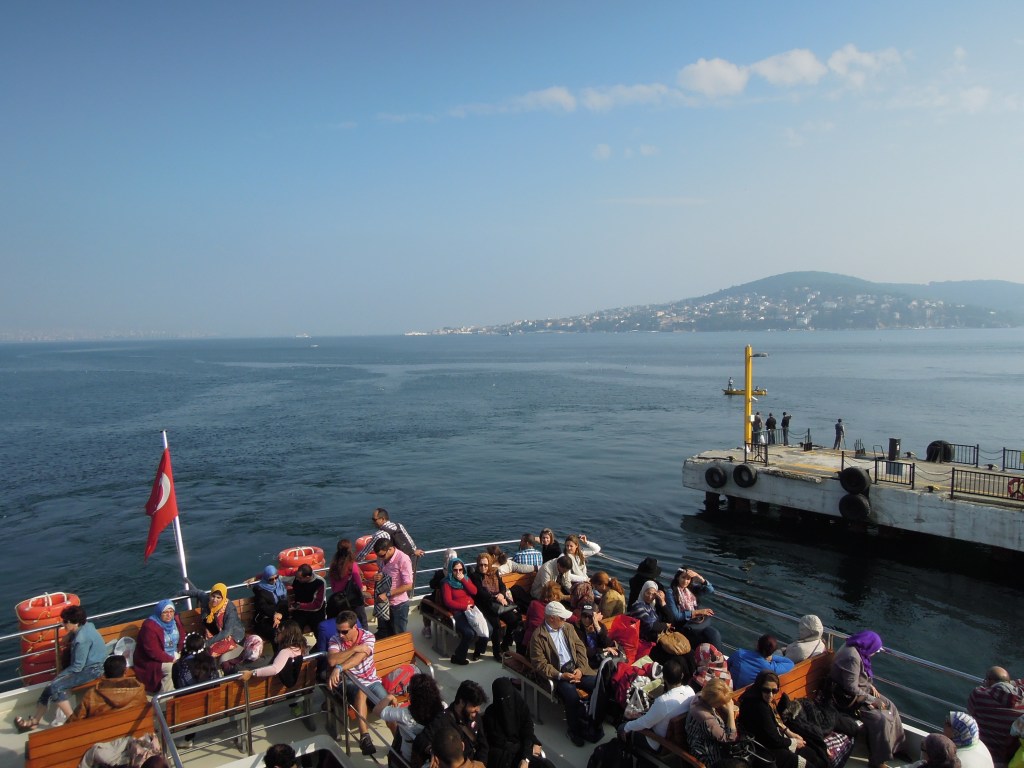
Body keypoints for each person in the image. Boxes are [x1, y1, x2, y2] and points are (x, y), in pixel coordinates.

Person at [15, 604, 107, 731]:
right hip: (87, 666)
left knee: (55, 686)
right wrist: (70, 635)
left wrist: (60, 675)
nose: (63, 624)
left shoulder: (82, 639)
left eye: (65, 622)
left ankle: (73, 720)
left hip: (92, 670)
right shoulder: (86, 626)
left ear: (75, 623)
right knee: (50, 687)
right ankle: (35, 721)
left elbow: (77, 666)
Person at [528, 600, 600, 747]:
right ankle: (573, 730)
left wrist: (580, 668)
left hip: (576, 668)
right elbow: (540, 664)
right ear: (551, 618)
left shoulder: (567, 627)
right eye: (561, 617)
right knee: (571, 696)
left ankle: (592, 720)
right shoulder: (538, 636)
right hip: (559, 674)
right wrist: (560, 676)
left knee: (599, 685)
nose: (565, 620)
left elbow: (580, 648)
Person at [829, 630, 905, 768]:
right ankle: (877, 761)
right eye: (875, 651)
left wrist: (870, 686)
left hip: (861, 691)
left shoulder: (857, 650)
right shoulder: (852, 657)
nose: (875, 653)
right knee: (879, 719)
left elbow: (859, 678)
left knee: (890, 706)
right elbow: (850, 687)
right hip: (846, 699)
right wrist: (872, 700)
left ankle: (895, 747)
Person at [327, 609, 387, 756]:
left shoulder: (368, 636)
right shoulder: (335, 639)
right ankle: (364, 737)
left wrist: (340, 667)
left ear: (355, 628)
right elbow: (332, 660)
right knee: (362, 690)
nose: (341, 635)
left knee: (388, 707)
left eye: (345, 632)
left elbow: (358, 658)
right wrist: (355, 648)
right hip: (349, 682)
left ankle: (398, 741)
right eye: (339, 631)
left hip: (371, 680)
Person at [738, 670, 827, 768]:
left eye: (774, 691)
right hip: (766, 748)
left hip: (774, 741)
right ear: (759, 687)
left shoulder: (759, 698)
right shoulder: (758, 707)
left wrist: (789, 733)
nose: (770, 695)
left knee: (813, 755)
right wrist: (794, 742)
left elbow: (774, 723)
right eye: (766, 690)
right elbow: (773, 740)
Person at [619, 658, 696, 752]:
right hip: (675, 740)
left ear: (664, 678)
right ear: (682, 676)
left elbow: (645, 723)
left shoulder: (663, 701)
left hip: (656, 741)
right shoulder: (690, 691)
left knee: (621, 727)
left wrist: (626, 727)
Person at [372, 673, 445, 768]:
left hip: (408, 758)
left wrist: (389, 697)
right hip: (433, 757)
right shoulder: (443, 708)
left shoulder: (405, 715)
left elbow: (377, 710)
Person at [413, 680, 490, 767]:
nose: (478, 709)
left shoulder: (475, 717)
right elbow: (420, 739)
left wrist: (480, 764)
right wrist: (431, 750)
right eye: (474, 705)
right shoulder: (442, 720)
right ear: (462, 702)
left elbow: (483, 745)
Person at [483, 676, 551, 768]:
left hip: (523, 752)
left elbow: (528, 732)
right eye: (501, 700)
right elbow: (498, 741)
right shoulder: (491, 714)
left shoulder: (520, 707)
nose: (505, 703)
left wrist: (525, 758)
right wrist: (529, 749)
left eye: (508, 697)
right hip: (502, 756)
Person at [967, 666, 1024, 765]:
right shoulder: (1021, 700)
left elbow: (970, 711)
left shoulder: (979, 695)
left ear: (989, 681)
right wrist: (1008, 683)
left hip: (982, 754)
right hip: (1008, 760)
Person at [469, 552, 519, 661]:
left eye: (485, 565)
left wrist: (501, 594)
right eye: (481, 565)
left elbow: (502, 586)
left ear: (489, 564)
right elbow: (480, 592)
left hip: (498, 602)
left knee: (515, 619)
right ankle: (497, 653)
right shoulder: (475, 576)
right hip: (485, 604)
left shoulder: (494, 572)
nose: (483, 567)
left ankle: (505, 644)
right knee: (496, 625)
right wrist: (497, 597)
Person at [68, 654, 147, 721]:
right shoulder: (139, 690)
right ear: (125, 671)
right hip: (136, 733)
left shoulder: (91, 695)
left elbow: (75, 722)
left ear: (105, 673)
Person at [182, 582, 246, 663]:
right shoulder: (206, 600)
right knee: (202, 650)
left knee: (209, 653)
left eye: (218, 597)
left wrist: (208, 642)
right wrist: (180, 594)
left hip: (232, 637)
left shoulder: (230, 609)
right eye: (213, 596)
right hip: (215, 633)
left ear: (223, 598)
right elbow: (198, 593)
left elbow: (227, 632)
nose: (215, 600)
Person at [686, 678, 741, 768]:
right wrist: (730, 712)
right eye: (721, 703)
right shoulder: (706, 718)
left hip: (709, 742)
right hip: (707, 754)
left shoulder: (701, 695)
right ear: (714, 703)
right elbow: (730, 739)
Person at [133, 598, 185, 693]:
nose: (169, 615)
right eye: (165, 612)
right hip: (153, 660)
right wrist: (171, 659)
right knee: (171, 668)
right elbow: (153, 651)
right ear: (159, 613)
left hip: (174, 653)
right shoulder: (150, 626)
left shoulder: (175, 620)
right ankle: (165, 700)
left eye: (171, 611)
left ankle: (183, 689)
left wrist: (180, 650)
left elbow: (182, 635)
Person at [663, 567, 722, 649]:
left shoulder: (691, 590)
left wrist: (699, 578)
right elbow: (676, 616)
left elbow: (710, 589)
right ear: (677, 577)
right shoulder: (671, 592)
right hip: (683, 626)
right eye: (683, 577)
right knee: (707, 640)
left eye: (688, 579)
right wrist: (698, 612)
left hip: (695, 623)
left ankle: (720, 660)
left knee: (714, 633)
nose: (685, 581)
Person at [441, 556, 483, 665]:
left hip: (472, 611)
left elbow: (474, 591)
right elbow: (448, 602)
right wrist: (464, 607)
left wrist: (463, 580)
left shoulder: (466, 579)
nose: (458, 572)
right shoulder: (447, 583)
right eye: (455, 570)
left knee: (488, 628)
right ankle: (459, 656)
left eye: (460, 570)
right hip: (458, 613)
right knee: (469, 633)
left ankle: (478, 652)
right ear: (451, 570)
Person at [240, 619, 306, 684]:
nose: (276, 633)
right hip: (294, 682)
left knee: (239, 667)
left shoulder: (286, 652)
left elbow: (275, 669)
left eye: (279, 632)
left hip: (283, 680)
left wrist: (252, 673)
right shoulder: (299, 646)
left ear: (287, 635)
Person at [373, 536, 414, 638]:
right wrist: (379, 576)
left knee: (398, 635)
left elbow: (408, 585)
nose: (380, 558)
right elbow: (385, 572)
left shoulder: (403, 559)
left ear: (390, 549)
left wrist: (387, 594)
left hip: (398, 605)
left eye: (382, 555)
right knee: (384, 634)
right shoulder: (383, 558)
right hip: (384, 604)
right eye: (378, 556)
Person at [355, 507, 424, 565]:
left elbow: (364, 553)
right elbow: (411, 544)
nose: (373, 522)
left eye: (374, 520)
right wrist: (413, 553)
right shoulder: (399, 526)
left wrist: (354, 562)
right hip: (409, 561)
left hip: (393, 567)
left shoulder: (379, 535)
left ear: (382, 519)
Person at [327, 538, 368, 630]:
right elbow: (358, 583)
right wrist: (363, 589)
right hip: (353, 598)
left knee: (344, 621)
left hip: (340, 599)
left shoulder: (333, 565)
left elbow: (332, 584)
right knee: (361, 620)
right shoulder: (352, 565)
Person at [246, 565, 290, 643]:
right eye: (271, 579)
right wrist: (274, 614)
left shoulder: (280, 585)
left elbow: (284, 602)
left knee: (290, 631)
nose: (274, 581)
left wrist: (280, 615)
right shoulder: (260, 590)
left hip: (280, 616)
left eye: (276, 578)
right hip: (265, 619)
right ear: (266, 578)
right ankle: (278, 653)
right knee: (276, 635)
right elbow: (262, 606)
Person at [574, 603, 619, 669]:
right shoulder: (577, 628)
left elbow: (608, 644)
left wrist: (597, 626)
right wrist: (603, 650)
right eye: (584, 616)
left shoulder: (600, 626)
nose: (586, 619)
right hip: (587, 662)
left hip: (602, 658)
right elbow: (584, 650)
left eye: (589, 616)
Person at [523, 581, 565, 651]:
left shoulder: (533, 603)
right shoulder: (556, 609)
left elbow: (527, 623)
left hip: (527, 641)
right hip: (542, 646)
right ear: (555, 596)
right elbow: (573, 619)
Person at [289, 563, 327, 633]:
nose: (297, 579)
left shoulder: (320, 582)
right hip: (300, 611)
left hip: (315, 612)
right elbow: (283, 578)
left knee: (320, 630)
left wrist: (299, 606)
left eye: (300, 578)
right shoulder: (297, 578)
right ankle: (298, 643)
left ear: (307, 577)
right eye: (297, 577)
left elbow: (317, 605)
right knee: (294, 631)